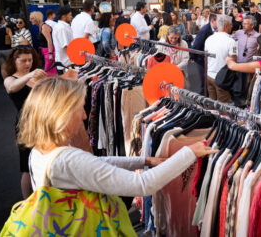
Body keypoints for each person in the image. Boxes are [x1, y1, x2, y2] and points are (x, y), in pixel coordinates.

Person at [17, 78, 216, 209]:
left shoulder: (40, 149)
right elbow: (142, 185)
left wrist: (145, 160)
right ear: (61, 114)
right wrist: (189, 152)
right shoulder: (68, 159)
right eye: (80, 109)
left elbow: (94, 163)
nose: (85, 115)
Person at [3, 46, 46, 198]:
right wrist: (30, 76)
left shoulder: (35, 76)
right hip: (26, 125)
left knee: (45, 160)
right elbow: (11, 88)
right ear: (14, 61)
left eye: (30, 60)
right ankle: (27, 202)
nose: (28, 63)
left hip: (43, 122)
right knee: (27, 166)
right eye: (24, 60)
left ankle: (42, 196)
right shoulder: (11, 79)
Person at [205, 15, 237, 103]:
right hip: (222, 77)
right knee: (223, 105)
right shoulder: (231, 41)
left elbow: (207, 57)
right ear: (226, 26)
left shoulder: (209, 39)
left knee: (212, 102)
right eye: (231, 24)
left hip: (209, 74)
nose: (232, 26)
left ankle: (210, 117)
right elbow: (233, 61)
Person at [190, 13, 217, 94]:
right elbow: (196, 44)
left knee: (207, 80)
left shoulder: (214, 29)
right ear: (212, 21)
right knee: (203, 81)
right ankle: (203, 100)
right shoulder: (205, 30)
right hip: (201, 59)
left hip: (207, 59)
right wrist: (193, 57)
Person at [30, 11, 56, 75]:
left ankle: (51, 83)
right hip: (45, 51)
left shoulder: (44, 27)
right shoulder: (41, 27)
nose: (30, 20)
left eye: (32, 18)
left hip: (49, 51)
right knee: (49, 70)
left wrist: (50, 54)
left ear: (37, 18)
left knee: (48, 70)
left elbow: (49, 40)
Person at [53, 7, 74, 75]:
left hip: (66, 62)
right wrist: (76, 58)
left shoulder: (63, 26)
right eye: (70, 15)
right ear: (63, 16)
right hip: (65, 63)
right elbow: (65, 46)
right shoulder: (61, 28)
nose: (71, 17)